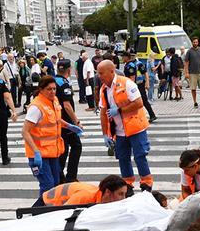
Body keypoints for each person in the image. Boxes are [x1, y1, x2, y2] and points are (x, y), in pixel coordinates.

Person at [22, 76, 82, 204]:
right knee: (47, 186)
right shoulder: (36, 107)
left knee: (55, 185)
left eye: (54, 89)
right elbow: (25, 132)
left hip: (52, 152)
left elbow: (55, 119)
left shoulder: (54, 101)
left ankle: (48, 210)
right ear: (41, 90)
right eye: (49, 89)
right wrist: (35, 152)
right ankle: (37, 211)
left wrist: (69, 125)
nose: (53, 92)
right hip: (39, 155)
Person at [97, 60, 154, 192]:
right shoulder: (104, 89)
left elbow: (139, 103)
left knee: (140, 156)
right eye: (98, 73)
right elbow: (103, 113)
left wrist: (119, 110)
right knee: (123, 158)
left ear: (111, 71)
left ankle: (146, 183)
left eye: (101, 73)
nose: (99, 76)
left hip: (135, 128)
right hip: (119, 131)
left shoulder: (126, 83)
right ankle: (127, 185)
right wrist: (105, 134)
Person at [54, 59, 82, 183]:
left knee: (63, 148)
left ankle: (60, 176)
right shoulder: (64, 84)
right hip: (66, 121)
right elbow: (67, 105)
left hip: (55, 120)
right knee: (76, 146)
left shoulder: (53, 81)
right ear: (69, 70)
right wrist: (76, 121)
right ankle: (70, 176)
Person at [42, 175, 129, 206]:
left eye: (125, 194)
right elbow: (63, 213)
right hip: (46, 204)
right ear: (108, 192)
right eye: (120, 194)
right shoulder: (85, 197)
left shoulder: (99, 198)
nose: (124, 198)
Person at [123, 51, 157, 123]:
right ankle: (140, 116)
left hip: (140, 84)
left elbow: (145, 73)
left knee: (143, 100)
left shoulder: (138, 63)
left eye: (133, 55)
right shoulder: (128, 64)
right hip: (135, 85)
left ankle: (152, 115)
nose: (132, 57)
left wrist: (147, 83)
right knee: (135, 101)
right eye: (131, 55)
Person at [184, 37, 200, 108]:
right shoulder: (189, 51)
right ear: (192, 43)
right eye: (194, 42)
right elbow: (186, 62)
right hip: (192, 73)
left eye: (196, 42)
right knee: (193, 88)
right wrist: (186, 72)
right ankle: (195, 102)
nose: (195, 43)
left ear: (198, 43)